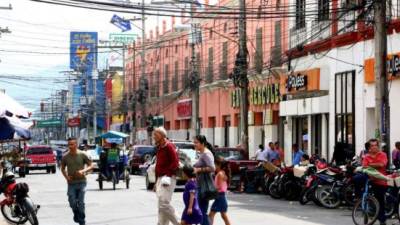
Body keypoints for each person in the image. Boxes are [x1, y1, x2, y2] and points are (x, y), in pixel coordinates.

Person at [355, 139, 388, 225]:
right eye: (372, 145)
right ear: (369, 147)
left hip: (380, 181)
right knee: (356, 178)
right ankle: (358, 197)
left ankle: (382, 220)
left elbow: (382, 164)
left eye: (375, 145)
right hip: (369, 180)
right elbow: (363, 167)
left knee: (380, 201)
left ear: (378, 146)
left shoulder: (383, 154)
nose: (374, 147)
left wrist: (369, 165)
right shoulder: (366, 156)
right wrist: (373, 165)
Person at [61, 137, 93, 225]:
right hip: (71, 183)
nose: (70, 146)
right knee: (72, 201)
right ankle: (76, 213)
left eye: (72, 144)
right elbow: (62, 169)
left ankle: (82, 220)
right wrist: (66, 177)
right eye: (69, 144)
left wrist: (83, 171)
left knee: (81, 202)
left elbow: (91, 165)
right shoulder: (65, 157)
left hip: (82, 182)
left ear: (76, 144)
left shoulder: (82, 154)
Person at [153, 127, 180, 225]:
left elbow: (175, 162)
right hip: (160, 178)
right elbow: (157, 165)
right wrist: (156, 182)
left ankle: (180, 222)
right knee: (161, 205)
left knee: (163, 204)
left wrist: (167, 175)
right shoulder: (159, 147)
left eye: (156, 134)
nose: (154, 136)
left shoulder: (169, 146)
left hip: (168, 178)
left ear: (162, 135)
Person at [193, 135, 215, 225]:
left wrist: (199, 170)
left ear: (202, 143)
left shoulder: (206, 153)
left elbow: (213, 168)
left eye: (196, 143)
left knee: (201, 211)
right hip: (200, 184)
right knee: (201, 210)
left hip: (204, 186)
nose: (194, 145)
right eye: (194, 142)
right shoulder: (202, 153)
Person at [209, 159, 231, 225]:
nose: (214, 167)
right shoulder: (223, 173)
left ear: (219, 165)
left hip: (220, 196)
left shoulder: (220, 174)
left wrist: (211, 189)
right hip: (221, 196)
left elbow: (219, 187)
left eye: (215, 165)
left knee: (211, 214)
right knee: (223, 215)